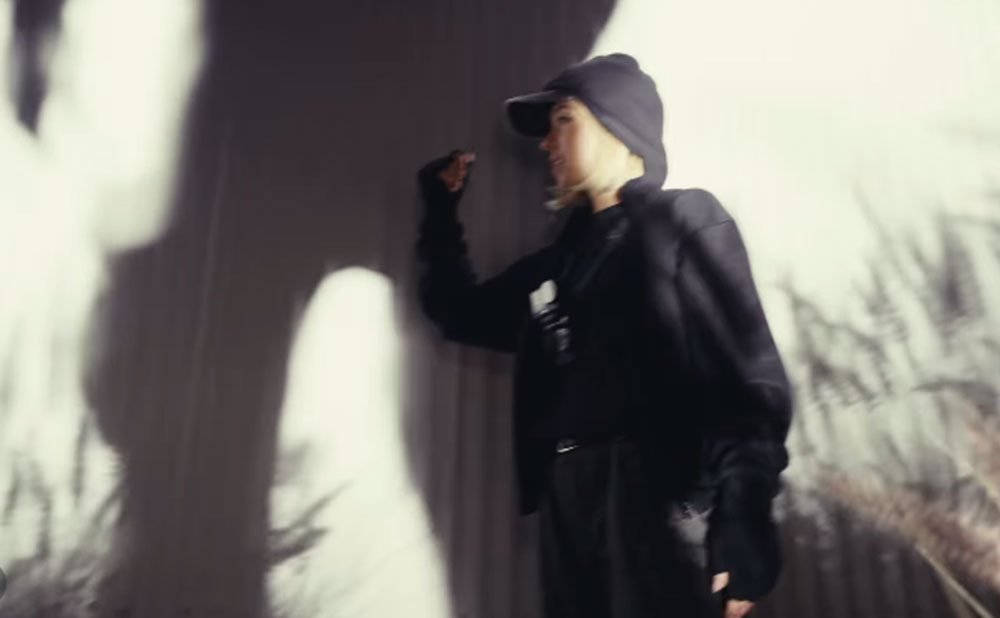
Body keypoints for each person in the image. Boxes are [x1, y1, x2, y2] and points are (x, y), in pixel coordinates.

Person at [415, 53, 792, 618]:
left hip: (653, 490)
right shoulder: (557, 264)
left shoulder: (682, 221)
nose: (547, 143)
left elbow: (748, 384)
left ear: (619, 127)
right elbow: (458, 313)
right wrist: (440, 214)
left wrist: (744, 517)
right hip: (568, 492)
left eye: (563, 120)